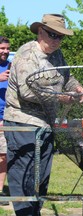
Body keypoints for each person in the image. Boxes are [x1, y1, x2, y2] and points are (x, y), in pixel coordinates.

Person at [3, 14, 83, 216]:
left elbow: (66, 76)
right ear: (40, 31)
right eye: (52, 35)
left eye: (61, 37)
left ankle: (34, 211)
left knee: (42, 176)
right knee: (24, 172)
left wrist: (76, 87)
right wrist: (60, 98)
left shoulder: (57, 54)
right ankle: (26, 213)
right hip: (22, 123)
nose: (57, 40)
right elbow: (27, 92)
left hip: (47, 124)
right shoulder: (26, 54)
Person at [0, 36, 11, 206]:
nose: (5, 51)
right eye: (2, 48)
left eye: (7, 48)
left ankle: (0, 190)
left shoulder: (12, 66)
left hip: (4, 118)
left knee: (3, 155)